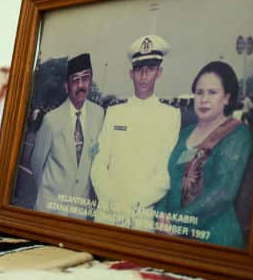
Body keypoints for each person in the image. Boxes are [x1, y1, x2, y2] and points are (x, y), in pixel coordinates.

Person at [156, 61, 253, 248]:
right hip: (170, 238)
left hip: (215, 240)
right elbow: (165, 180)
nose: (204, 99)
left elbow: (222, 193)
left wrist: (177, 223)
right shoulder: (183, 133)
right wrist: (160, 218)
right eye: (199, 92)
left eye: (212, 92)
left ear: (226, 98)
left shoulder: (237, 134)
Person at [90, 34, 180, 229]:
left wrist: (132, 204)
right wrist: (114, 203)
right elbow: (99, 164)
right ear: (131, 73)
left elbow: (164, 174)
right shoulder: (114, 112)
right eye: (139, 70)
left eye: (151, 69)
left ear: (159, 72)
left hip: (141, 217)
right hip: (108, 213)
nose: (144, 76)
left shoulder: (171, 116)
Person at [29, 53, 105, 219]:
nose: (80, 85)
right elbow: (36, 163)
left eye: (85, 78)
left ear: (90, 81)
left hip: (80, 211)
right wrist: (48, 192)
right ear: (66, 86)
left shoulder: (99, 115)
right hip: (51, 208)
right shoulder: (52, 119)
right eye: (75, 80)